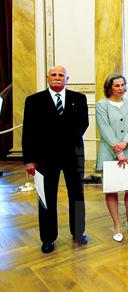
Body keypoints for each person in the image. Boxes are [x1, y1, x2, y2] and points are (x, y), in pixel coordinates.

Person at [22, 65, 89, 254]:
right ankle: (48, 238)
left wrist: (66, 138)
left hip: (73, 155)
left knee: (77, 195)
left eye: (61, 75)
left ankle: (78, 232)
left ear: (67, 79)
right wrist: (29, 159)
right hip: (45, 158)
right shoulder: (34, 100)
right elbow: (29, 131)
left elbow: (83, 124)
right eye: (53, 75)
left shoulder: (79, 98)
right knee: (46, 197)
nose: (57, 77)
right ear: (47, 78)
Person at [95, 73, 128, 242]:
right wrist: (118, 151)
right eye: (117, 85)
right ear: (109, 88)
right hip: (109, 152)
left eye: (123, 85)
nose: (121, 88)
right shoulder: (101, 105)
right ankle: (116, 226)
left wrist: (125, 143)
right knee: (112, 190)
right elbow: (105, 129)